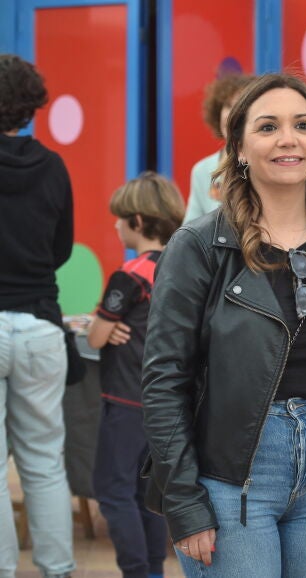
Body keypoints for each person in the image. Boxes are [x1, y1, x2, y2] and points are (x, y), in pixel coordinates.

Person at [142, 73, 306, 578]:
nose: (288, 139)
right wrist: (185, 502)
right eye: (268, 127)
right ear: (239, 148)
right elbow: (163, 380)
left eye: (302, 126)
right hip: (230, 471)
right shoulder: (198, 246)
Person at [0, 53, 76, 578]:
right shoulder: (53, 166)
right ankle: (58, 570)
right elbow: (61, 248)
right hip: (42, 325)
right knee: (45, 464)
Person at [87, 171, 184, 578]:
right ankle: (152, 571)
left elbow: (96, 337)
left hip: (126, 401)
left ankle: (135, 571)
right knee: (150, 494)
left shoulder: (129, 275)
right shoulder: (182, 268)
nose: (115, 225)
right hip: (168, 403)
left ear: (138, 222)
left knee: (113, 490)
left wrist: (103, 325)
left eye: (120, 218)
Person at [184, 73, 253, 223]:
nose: (232, 113)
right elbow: (190, 227)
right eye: (228, 105)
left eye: (240, 106)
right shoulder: (202, 170)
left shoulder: (264, 163)